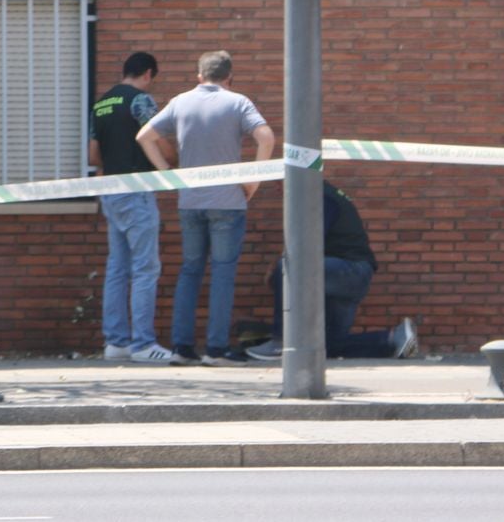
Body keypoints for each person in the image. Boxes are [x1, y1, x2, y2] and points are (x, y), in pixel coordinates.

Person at [137, 50, 275, 366]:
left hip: (190, 201)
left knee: (190, 271)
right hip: (228, 201)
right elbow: (266, 137)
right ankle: (215, 350)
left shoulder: (180, 102)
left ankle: (182, 349)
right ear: (229, 77)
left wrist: (165, 174)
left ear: (199, 76)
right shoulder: (238, 101)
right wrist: (253, 179)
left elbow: (144, 136)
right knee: (222, 273)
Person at [245, 181, 417, 361]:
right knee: (328, 346)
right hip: (351, 274)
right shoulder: (324, 193)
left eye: (281, 183)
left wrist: (278, 268)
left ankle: (281, 342)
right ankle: (393, 339)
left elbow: (307, 243)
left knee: (288, 268)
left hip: (348, 271)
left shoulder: (318, 198)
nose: (277, 189)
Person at [89, 52, 181, 365]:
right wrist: (171, 159)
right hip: (136, 190)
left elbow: (93, 155)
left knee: (118, 267)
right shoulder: (140, 100)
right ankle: (143, 344)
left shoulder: (101, 103)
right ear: (147, 73)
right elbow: (154, 139)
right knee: (145, 268)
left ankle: (116, 342)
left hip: (109, 192)